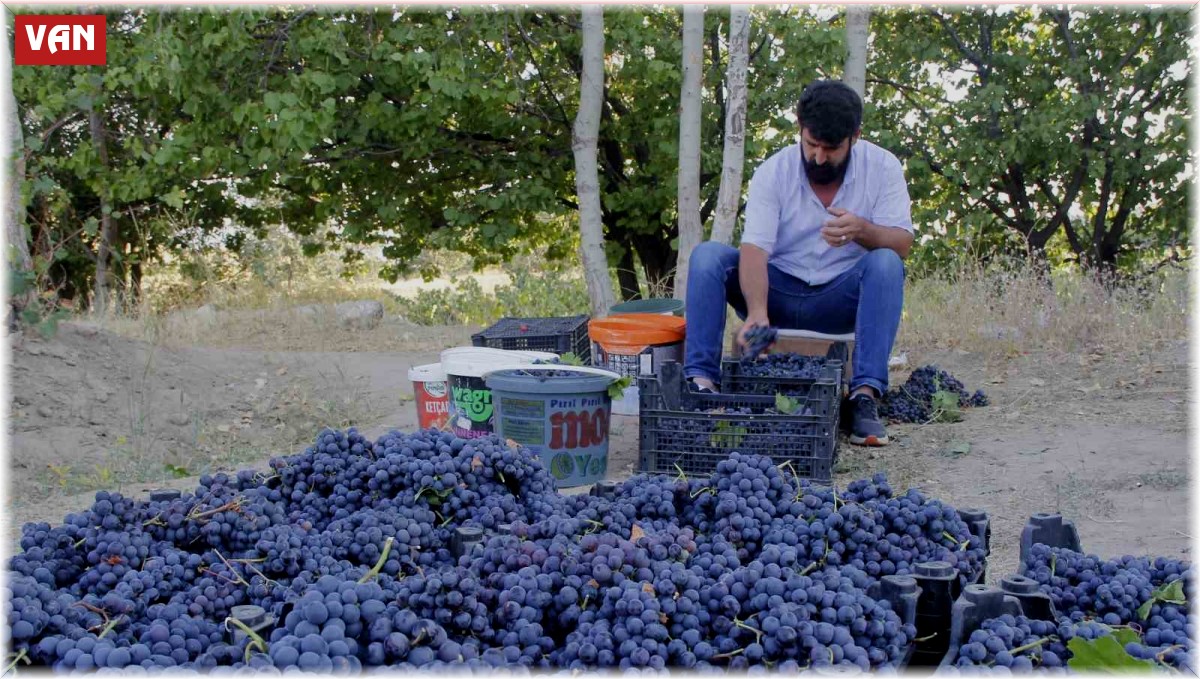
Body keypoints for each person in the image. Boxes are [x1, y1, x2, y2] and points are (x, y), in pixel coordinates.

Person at [683, 79, 914, 446]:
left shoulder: (883, 167)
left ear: (855, 136)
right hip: (779, 295)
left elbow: (902, 244)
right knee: (708, 257)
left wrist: (862, 230)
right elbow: (755, 249)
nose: (819, 157)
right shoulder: (774, 171)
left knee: (885, 262)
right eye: (811, 145)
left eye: (831, 148)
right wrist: (757, 313)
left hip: (839, 299)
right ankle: (701, 387)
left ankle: (864, 398)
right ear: (799, 130)